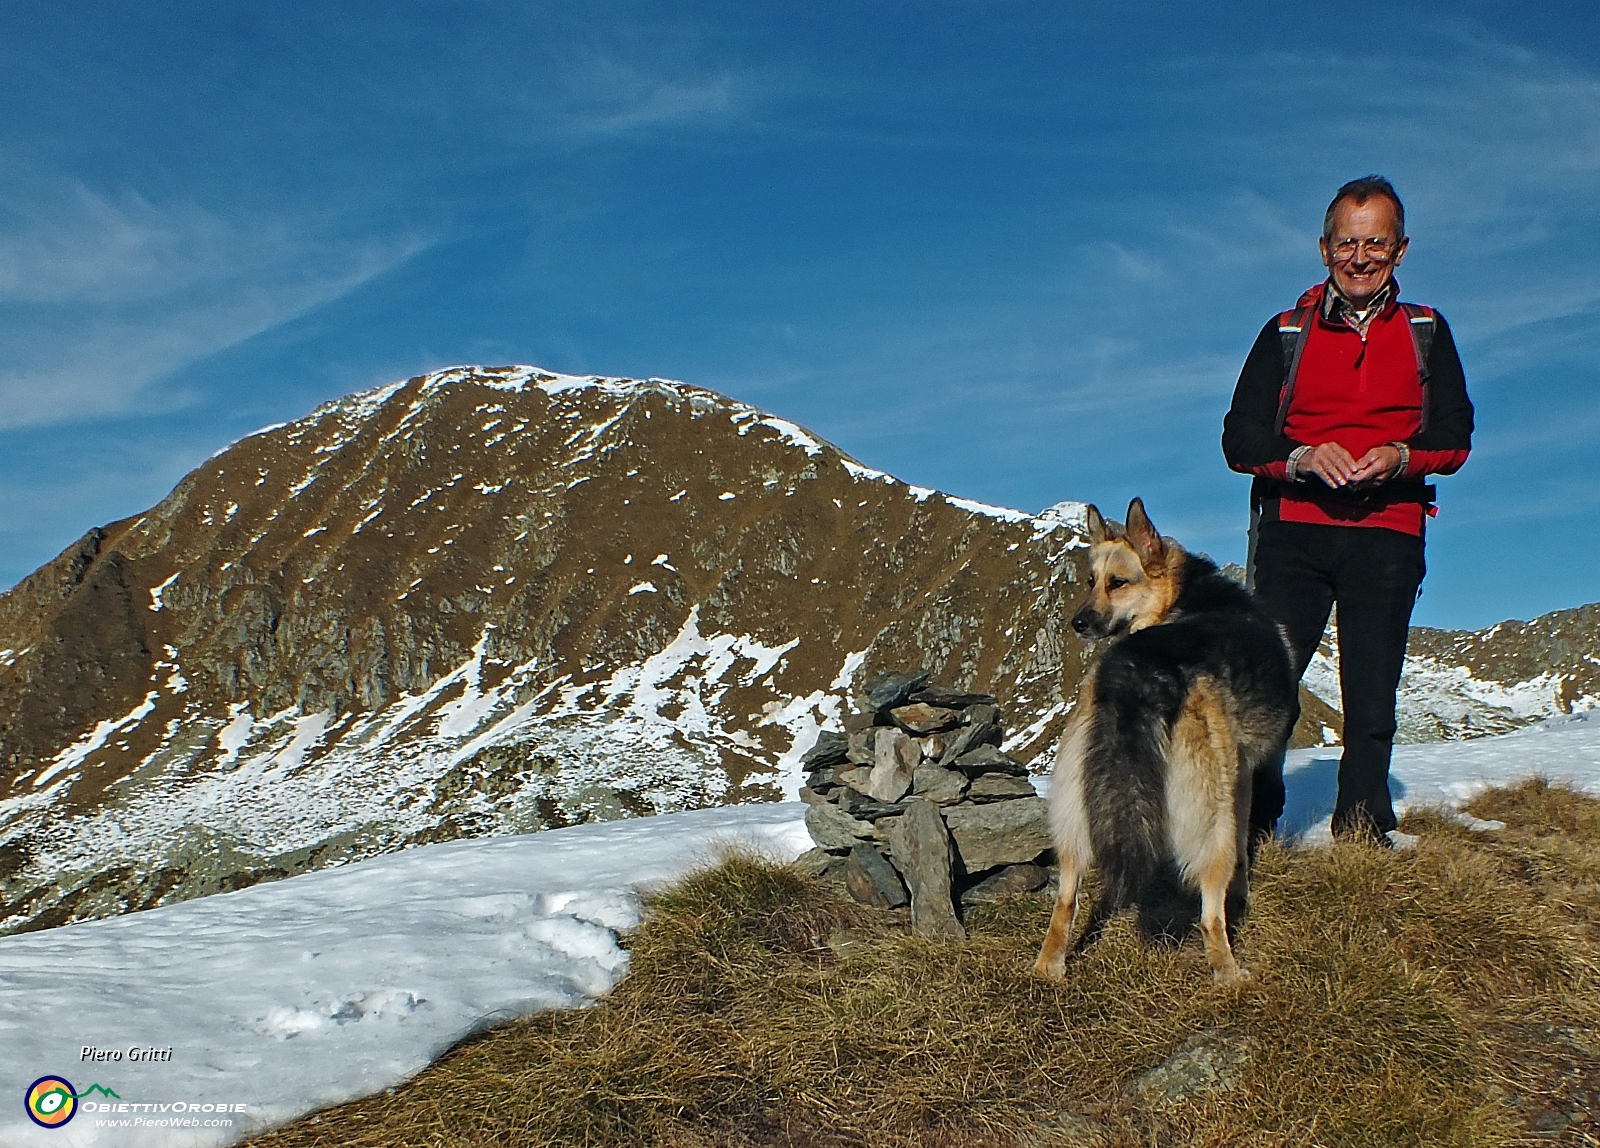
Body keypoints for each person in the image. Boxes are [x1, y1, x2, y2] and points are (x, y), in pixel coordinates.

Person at [1222, 175, 1473, 844]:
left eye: (1376, 244)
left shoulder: (1425, 332)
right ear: (1323, 246)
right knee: (1267, 686)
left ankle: (1362, 832)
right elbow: (1240, 437)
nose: (1360, 258)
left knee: (1371, 695)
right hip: (1293, 532)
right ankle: (1249, 827)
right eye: (1346, 244)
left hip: (1389, 531)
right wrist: (1302, 458)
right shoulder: (1284, 333)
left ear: (1401, 249)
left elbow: (1454, 435)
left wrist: (1401, 456)